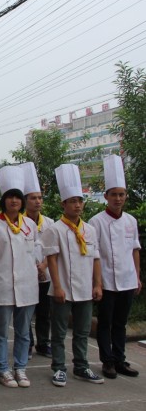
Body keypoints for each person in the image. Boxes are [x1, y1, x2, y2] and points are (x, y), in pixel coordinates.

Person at [42, 164, 104, 388]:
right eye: (72, 201)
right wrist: (57, 287)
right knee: (59, 332)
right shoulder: (55, 229)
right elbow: (51, 260)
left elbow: (95, 258)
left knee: (82, 331)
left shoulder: (90, 229)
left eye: (80, 201)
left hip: (85, 289)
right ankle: (59, 368)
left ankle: (81, 366)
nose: (77, 205)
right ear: (63, 204)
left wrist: (97, 284)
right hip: (62, 289)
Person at [0, 165, 39, 388]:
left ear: (21, 201)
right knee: (0, 331)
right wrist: (1, 272)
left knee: (24, 331)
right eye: (10, 197)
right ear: (4, 200)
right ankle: (2, 369)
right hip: (4, 285)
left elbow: (35, 253)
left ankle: (20, 368)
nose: (14, 201)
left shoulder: (30, 225)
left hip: (27, 286)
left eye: (17, 197)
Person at [90, 155, 142, 379]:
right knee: (105, 323)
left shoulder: (131, 220)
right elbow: (94, 255)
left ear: (125, 196)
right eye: (114, 195)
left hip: (128, 279)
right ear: (106, 197)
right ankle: (108, 361)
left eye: (121, 194)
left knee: (121, 323)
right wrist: (97, 283)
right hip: (107, 281)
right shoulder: (96, 222)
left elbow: (135, 250)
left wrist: (137, 277)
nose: (118, 199)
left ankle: (120, 359)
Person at [20, 162, 54, 359]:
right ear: (25, 201)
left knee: (44, 312)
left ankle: (43, 343)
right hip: (27, 274)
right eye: (33, 198)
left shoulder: (49, 223)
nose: (38, 201)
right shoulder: (19, 223)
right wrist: (34, 267)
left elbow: (52, 249)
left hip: (45, 274)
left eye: (40, 198)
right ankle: (28, 343)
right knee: (26, 312)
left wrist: (44, 266)